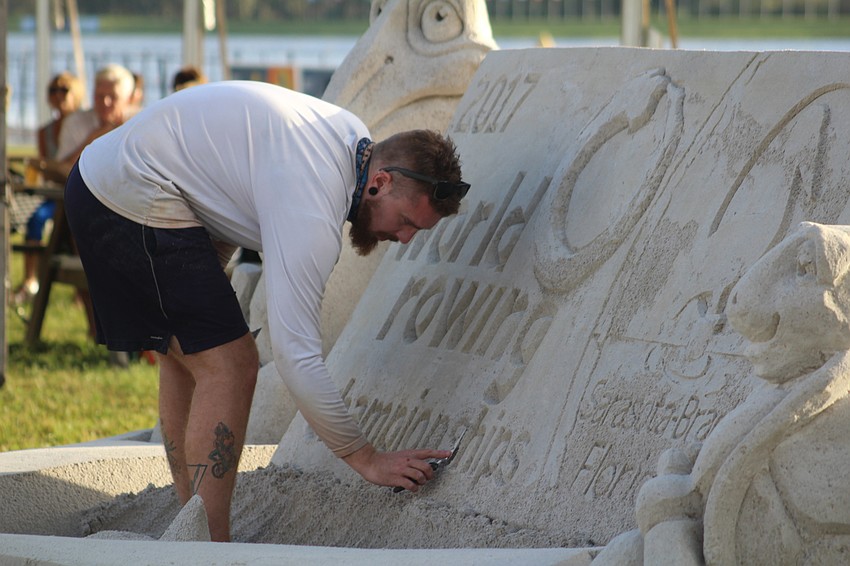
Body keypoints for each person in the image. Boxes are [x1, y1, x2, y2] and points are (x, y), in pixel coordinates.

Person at [64, 80, 470, 542]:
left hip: (111, 177)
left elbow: (225, 179)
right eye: (407, 223)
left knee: (193, 359)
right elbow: (297, 356)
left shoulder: (351, 138)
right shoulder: (314, 206)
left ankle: (190, 525)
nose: (404, 239)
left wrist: (202, 300)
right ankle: (207, 549)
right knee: (233, 365)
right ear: (379, 183)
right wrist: (365, 458)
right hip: (128, 191)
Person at [14, 72, 84, 302]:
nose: (58, 95)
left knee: (76, 227)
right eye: (53, 90)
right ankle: (30, 279)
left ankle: (81, 289)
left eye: (64, 89)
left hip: (74, 191)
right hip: (54, 192)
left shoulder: (82, 126)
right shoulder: (45, 131)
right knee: (35, 219)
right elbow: (46, 166)